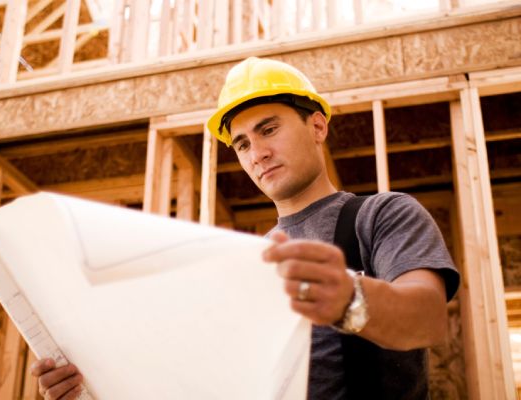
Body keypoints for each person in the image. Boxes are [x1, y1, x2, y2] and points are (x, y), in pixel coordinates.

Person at [31, 57, 459, 399]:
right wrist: (90, 387)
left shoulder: (381, 215)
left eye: (268, 129)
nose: (257, 153)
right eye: (242, 144)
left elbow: (426, 318)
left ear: (317, 126)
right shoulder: (248, 260)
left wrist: (348, 297)